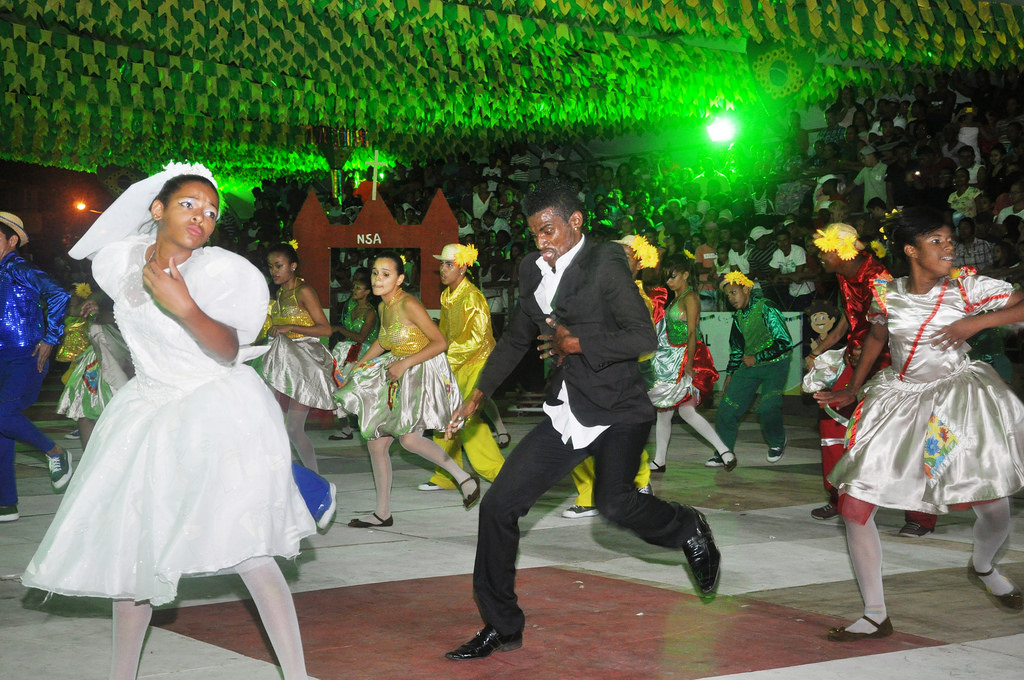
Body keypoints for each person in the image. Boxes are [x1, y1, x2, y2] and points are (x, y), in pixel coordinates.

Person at [21, 164, 316, 679]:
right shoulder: (122, 260)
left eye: (211, 211)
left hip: (214, 410)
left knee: (248, 549)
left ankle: (295, 674)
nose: (202, 216)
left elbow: (228, 349)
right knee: (135, 553)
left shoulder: (223, 273)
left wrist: (185, 306)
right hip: (147, 412)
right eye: (188, 204)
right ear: (157, 209)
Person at [443, 179, 720, 661]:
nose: (541, 241)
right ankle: (501, 626)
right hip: (568, 409)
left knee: (615, 504)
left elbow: (642, 337)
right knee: (498, 507)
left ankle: (687, 526)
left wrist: (577, 344)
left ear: (575, 221)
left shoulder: (605, 261)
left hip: (618, 408)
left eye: (549, 229)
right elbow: (515, 339)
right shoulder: (530, 269)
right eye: (535, 232)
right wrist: (478, 394)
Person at [815, 206, 1024, 641]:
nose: (948, 248)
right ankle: (875, 614)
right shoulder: (886, 292)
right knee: (853, 507)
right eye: (936, 241)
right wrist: (853, 387)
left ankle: (983, 565)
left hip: (955, 404)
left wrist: (976, 323)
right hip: (897, 402)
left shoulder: (967, 287)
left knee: (992, 507)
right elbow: (878, 335)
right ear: (911, 250)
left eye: (950, 240)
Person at [802, 224, 938, 534]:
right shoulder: (843, 275)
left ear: (842, 251)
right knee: (832, 421)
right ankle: (839, 496)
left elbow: (895, 327)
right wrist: (819, 350)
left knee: (906, 436)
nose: (819, 257)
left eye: (824, 251)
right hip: (859, 362)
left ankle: (920, 515)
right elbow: (848, 319)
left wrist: (867, 350)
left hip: (891, 364)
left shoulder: (878, 278)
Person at [334, 251, 480, 528]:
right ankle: (382, 513)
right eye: (375, 273)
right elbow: (383, 341)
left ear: (400, 279)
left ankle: (463, 478)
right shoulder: (382, 306)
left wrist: (404, 365)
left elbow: (440, 343)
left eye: (385, 274)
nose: (377, 279)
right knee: (376, 443)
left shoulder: (409, 304)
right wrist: (356, 367)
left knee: (410, 440)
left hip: (421, 369)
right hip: (398, 368)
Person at [563, 234, 657, 518]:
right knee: (577, 432)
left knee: (619, 432)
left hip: (624, 372)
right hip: (593, 368)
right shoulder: (597, 286)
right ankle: (591, 493)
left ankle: (638, 482)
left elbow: (637, 340)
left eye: (626, 256)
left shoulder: (637, 296)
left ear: (638, 264)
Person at [415, 243, 506, 491]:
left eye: (448, 264)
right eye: (441, 264)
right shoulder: (447, 296)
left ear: (463, 268)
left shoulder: (472, 297)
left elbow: (474, 341)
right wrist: (438, 353)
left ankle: (501, 476)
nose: (443, 269)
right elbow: (445, 334)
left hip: (478, 363)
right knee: (444, 415)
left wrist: (444, 359)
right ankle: (446, 475)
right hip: (456, 362)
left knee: (469, 420)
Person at [0, 211, 71, 523]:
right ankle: (6, 504)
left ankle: (55, 452)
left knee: (3, 415)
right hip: (3, 358)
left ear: (12, 240)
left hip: (25, 357)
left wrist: (50, 338)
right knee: (2, 427)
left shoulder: (18, 266)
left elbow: (58, 293)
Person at [648, 254, 734, 471]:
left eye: (673, 276)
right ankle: (659, 460)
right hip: (672, 358)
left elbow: (693, 331)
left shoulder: (690, 297)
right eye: (667, 277)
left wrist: (688, 363)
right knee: (665, 412)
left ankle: (724, 452)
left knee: (684, 411)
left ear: (685, 275)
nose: (669, 281)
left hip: (685, 357)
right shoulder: (676, 298)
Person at [258, 243, 336, 473]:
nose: (274, 271)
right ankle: (285, 475)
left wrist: (290, 327)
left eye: (279, 266)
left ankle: (315, 478)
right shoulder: (280, 294)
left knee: (293, 428)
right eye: (271, 267)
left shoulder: (304, 291)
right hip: (284, 360)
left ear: (293, 266)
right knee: (275, 423)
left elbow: (326, 329)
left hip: (305, 362)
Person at [714, 271, 791, 463]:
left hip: (775, 364)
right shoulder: (738, 316)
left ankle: (777, 441)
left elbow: (785, 342)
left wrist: (757, 357)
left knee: (768, 407)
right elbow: (737, 349)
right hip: (749, 365)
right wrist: (730, 374)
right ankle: (724, 452)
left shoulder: (767, 307)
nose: (731, 298)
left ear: (746, 289)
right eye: (728, 295)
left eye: (734, 292)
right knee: (726, 408)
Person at [328, 268, 378, 441]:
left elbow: (362, 337)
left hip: (361, 353)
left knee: (350, 389)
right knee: (335, 385)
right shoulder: (352, 307)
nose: (354, 290)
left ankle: (362, 424)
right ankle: (346, 428)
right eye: (354, 287)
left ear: (367, 292)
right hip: (346, 351)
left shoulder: (371, 312)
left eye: (358, 288)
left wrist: (339, 329)